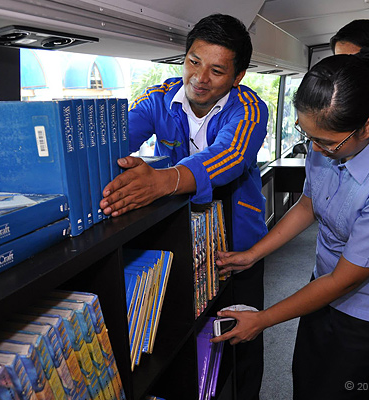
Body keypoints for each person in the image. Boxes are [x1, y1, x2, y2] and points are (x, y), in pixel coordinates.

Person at [212, 50, 369, 400]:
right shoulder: (328, 139)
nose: (314, 148)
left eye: (325, 142)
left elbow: (345, 280)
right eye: (307, 135)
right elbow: (308, 206)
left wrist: (263, 320)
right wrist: (253, 254)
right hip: (323, 286)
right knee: (307, 380)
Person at [99, 13, 269, 400]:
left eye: (216, 70)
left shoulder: (250, 109)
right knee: (178, 334)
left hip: (237, 247)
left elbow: (230, 155)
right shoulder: (158, 99)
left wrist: (163, 180)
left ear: (237, 77)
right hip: (178, 239)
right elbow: (117, 141)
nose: (200, 78)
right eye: (193, 61)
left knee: (241, 331)